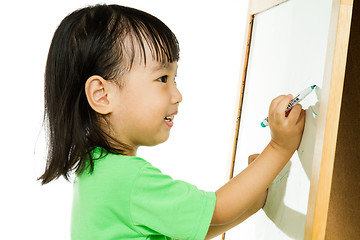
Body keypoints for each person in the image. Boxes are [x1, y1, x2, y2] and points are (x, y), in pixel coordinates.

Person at [38, 4, 305, 240]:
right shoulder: (128, 179)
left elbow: (191, 229)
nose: (177, 95)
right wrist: (280, 147)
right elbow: (218, 210)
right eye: (162, 79)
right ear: (102, 95)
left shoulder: (96, 170)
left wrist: (255, 198)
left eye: (174, 79)